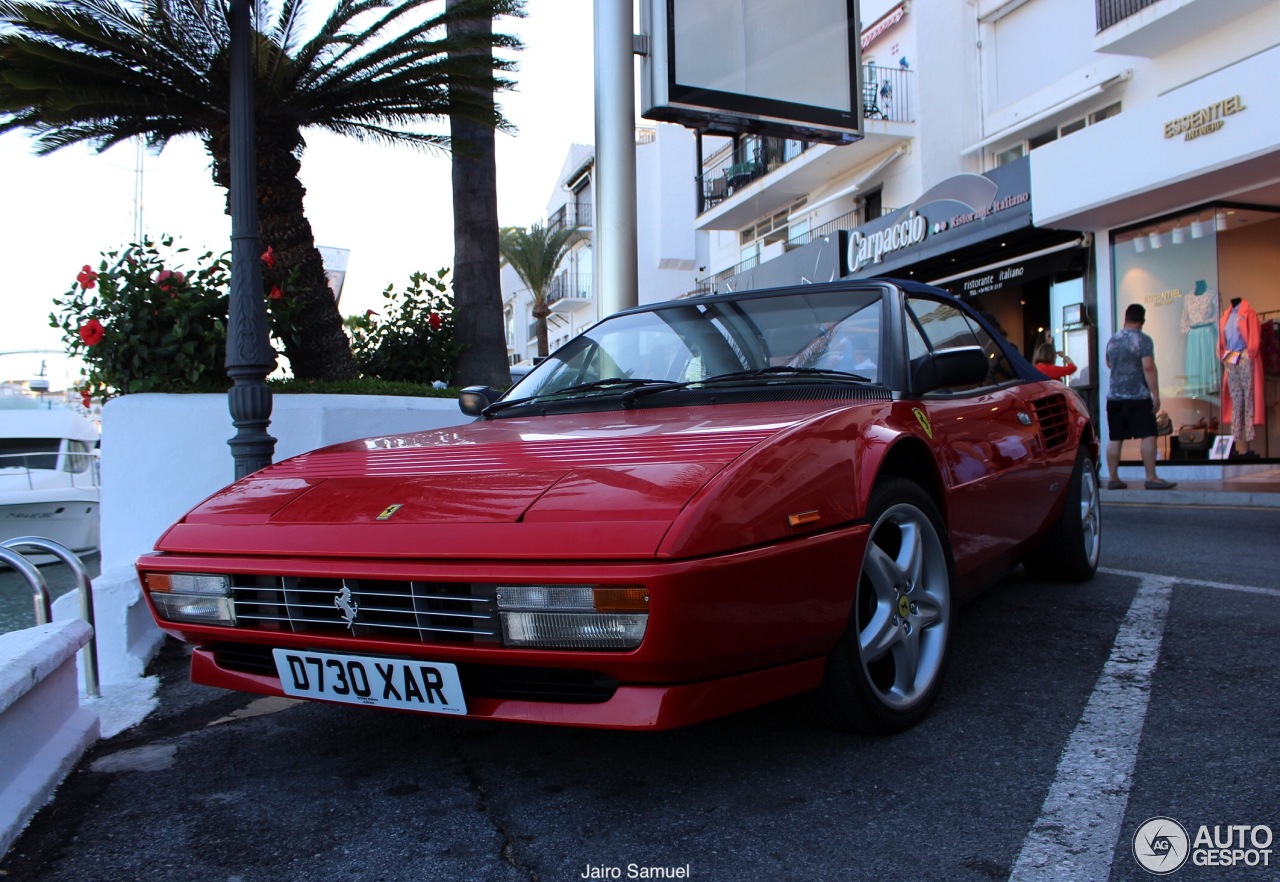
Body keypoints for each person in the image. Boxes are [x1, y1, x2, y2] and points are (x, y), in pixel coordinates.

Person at [1105, 304, 1176, 490]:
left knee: (1115, 438)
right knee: (1149, 434)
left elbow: (1109, 363)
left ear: (1125, 318)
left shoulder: (1113, 340)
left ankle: (1113, 478)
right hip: (1137, 396)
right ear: (1142, 321)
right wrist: (1156, 395)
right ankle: (1151, 478)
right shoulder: (1143, 340)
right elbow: (1148, 367)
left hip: (1114, 397)